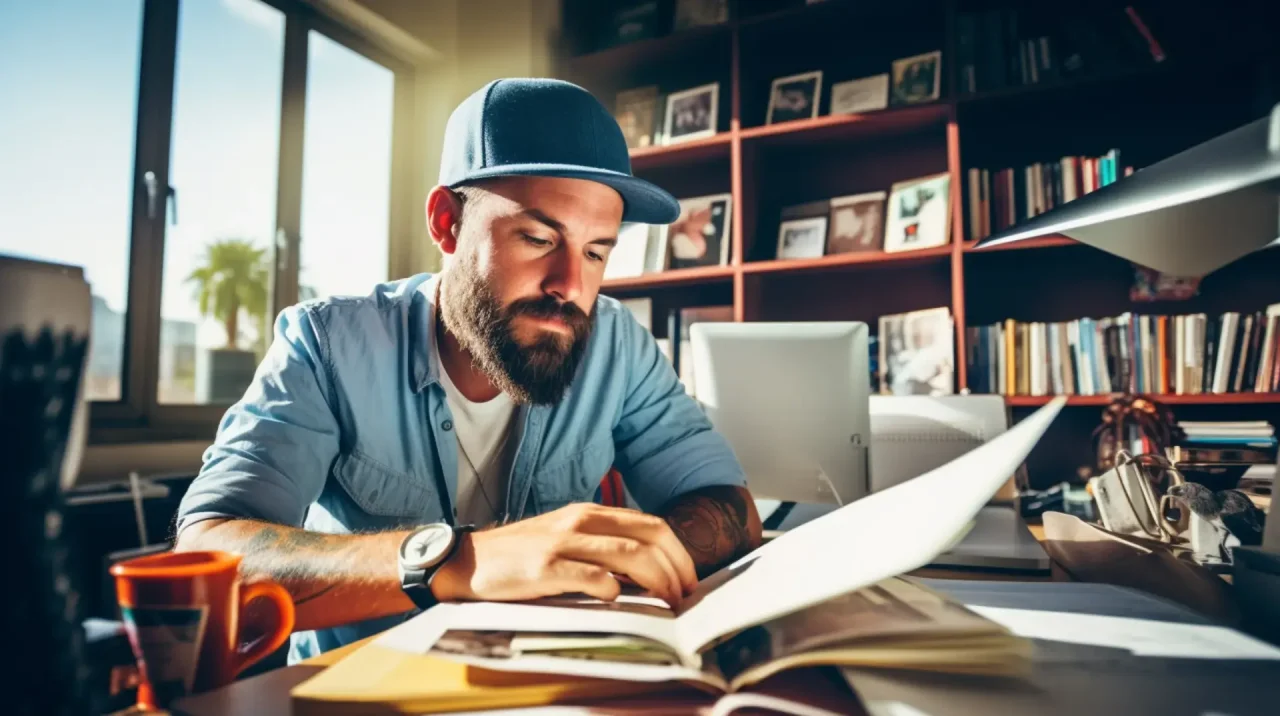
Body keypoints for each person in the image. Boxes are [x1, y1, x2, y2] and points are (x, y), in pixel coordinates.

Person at [173, 78, 762, 662]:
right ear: (446, 222)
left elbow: (728, 507)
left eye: (595, 252)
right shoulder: (326, 348)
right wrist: (458, 561)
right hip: (365, 698)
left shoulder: (618, 349)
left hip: (558, 690)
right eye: (537, 237)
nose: (570, 287)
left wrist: (631, 558)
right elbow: (206, 556)